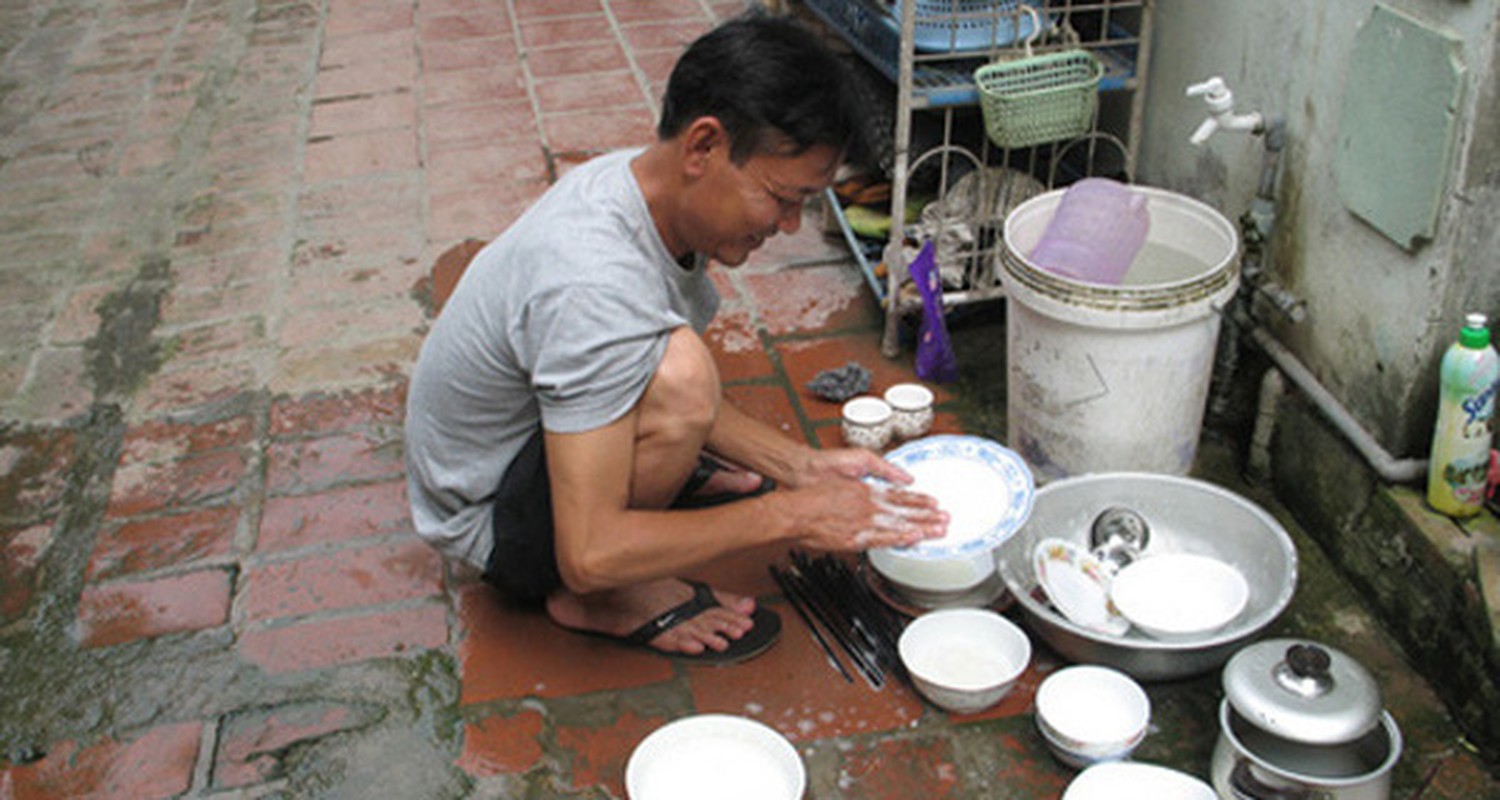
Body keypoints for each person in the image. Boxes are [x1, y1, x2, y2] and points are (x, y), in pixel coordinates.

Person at [404, 12, 947, 664]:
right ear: (703, 146)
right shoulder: (592, 285)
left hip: (526, 442)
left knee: (678, 379)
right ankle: (599, 602)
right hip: (493, 523)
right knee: (683, 377)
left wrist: (799, 468)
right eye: (781, 197)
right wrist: (794, 516)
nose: (789, 223)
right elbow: (588, 552)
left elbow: (633, 367)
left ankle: (651, 472)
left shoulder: (638, 186)